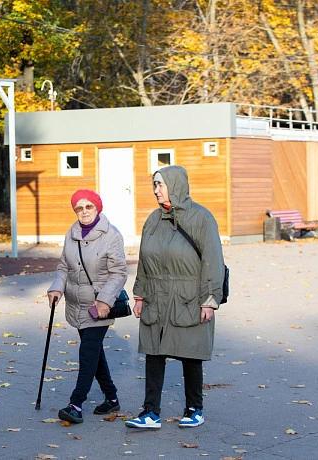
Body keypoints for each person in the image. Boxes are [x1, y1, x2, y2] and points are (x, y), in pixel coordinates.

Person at [125, 165, 225, 430]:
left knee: (190, 352)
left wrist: (210, 299)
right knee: (153, 353)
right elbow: (144, 261)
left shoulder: (202, 218)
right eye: (154, 185)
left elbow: (213, 260)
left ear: (175, 185)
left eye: (160, 185)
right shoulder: (153, 221)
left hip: (188, 296)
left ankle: (195, 408)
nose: (156, 190)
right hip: (157, 295)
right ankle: (150, 413)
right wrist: (139, 294)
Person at [47, 189, 127, 424]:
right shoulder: (71, 234)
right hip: (76, 303)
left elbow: (118, 273)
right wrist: (56, 288)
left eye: (88, 206)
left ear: (97, 207)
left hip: (99, 305)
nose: (84, 212)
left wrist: (104, 300)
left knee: (88, 351)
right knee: (95, 352)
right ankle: (112, 399)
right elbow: (64, 267)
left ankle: (76, 404)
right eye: (79, 208)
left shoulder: (111, 235)